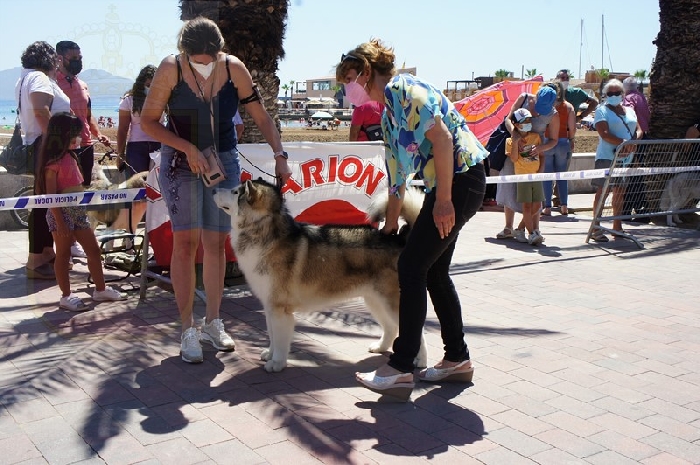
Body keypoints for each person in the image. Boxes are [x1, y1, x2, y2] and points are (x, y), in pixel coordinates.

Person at [336, 39, 488, 400]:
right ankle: (457, 359)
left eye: (349, 80)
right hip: (451, 185)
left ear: (366, 72)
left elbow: (444, 140)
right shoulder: (388, 115)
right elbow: (397, 179)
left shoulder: (404, 90)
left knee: (411, 268)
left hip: (460, 182)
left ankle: (401, 367)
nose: (347, 89)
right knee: (433, 272)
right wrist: (389, 225)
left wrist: (444, 201)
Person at [140, 17, 292, 364]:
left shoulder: (234, 68)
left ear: (219, 50)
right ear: (184, 52)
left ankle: (213, 322)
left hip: (223, 161)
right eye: (197, 61)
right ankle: (187, 329)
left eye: (209, 59)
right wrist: (186, 147)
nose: (204, 65)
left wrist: (280, 155)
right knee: (185, 243)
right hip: (181, 162)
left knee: (216, 242)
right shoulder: (171, 68)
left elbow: (261, 116)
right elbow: (147, 122)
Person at [35, 112, 126, 311]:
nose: (78, 138)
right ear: (63, 135)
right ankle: (66, 296)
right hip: (61, 214)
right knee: (63, 254)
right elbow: (52, 197)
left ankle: (100, 290)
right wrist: (60, 221)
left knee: (93, 250)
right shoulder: (52, 164)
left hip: (78, 212)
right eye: (74, 134)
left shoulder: (71, 156)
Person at [16, 41, 72, 280]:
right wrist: (56, 143)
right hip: (45, 146)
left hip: (38, 144)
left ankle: (46, 253)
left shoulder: (26, 78)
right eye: (55, 58)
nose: (58, 62)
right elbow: (41, 112)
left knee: (45, 202)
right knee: (43, 204)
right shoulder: (38, 78)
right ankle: (36, 259)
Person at [55, 40, 111, 259]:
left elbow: (88, 116)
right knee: (65, 196)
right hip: (65, 148)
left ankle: (75, 241)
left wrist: (99, 134)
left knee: (81, 195)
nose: (78, 61)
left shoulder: (83, 85)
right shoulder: (52, 83)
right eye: (74, 58)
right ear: (60, 58)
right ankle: (65, 243)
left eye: (80, 58)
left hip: (86, 146)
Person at [496, 85, 559, 242]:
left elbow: (554, 140)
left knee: (535, 198)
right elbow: (508, 119)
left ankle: (533, 229)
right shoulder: (523, 98)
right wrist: (515, 136)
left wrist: (539, 149)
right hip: (516, 150)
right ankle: (508, 227)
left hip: (534, 156)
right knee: (510, 188)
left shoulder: (553, 114)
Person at [590, 79, 644, 242]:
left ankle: (617, 226)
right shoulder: (602, 111)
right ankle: (596, 227)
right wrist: (624, 143)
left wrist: (633, 143)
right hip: (607, 157)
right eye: (610, 93)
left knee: (620, 192)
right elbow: (604, 134)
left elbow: (639, 129)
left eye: (617, 92)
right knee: (603, 191)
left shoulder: (630, 111)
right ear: (606, 95)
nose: (613, 95)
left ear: (623, 93)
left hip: (626, 159)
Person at [506, 109, 545, 245]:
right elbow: (514, 159)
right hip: (522, 177)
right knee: (527, 207)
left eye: (529, 120)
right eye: (525, 121)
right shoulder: (510, 141)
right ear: (516, 124)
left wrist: (541, 169)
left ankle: (520, 228)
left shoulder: (535, 136)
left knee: (537, 206)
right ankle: (532, 233)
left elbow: (542, 155)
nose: (528, 123)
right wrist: (516, 143)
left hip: (536, 176)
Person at [116, 65, 162, 178]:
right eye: (148, 85)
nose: (151, 88)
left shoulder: (163, 99)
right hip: (137, 147)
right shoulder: (129, 100)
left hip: (159, 145)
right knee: (138, 183)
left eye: (154, 85)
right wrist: (120, 154)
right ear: (141, 84)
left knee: (158, 184)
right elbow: (122, 129)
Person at [542, 82, 576, 216]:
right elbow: (572, 128)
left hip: (547, 141)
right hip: (562, 142)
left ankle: (547, 207)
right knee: (562, 175)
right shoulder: (568, 107)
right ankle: (564, 206)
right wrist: (571, 139)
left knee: (547, 176)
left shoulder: (545, 106)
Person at [621, 76, 651, 219]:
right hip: (644, 139)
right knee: (639, 175)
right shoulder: (642, 98)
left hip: (633, 139)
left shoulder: (628, 99)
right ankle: (640, 208)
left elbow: (629, 115)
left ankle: (626, 209)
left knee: (628, 175)